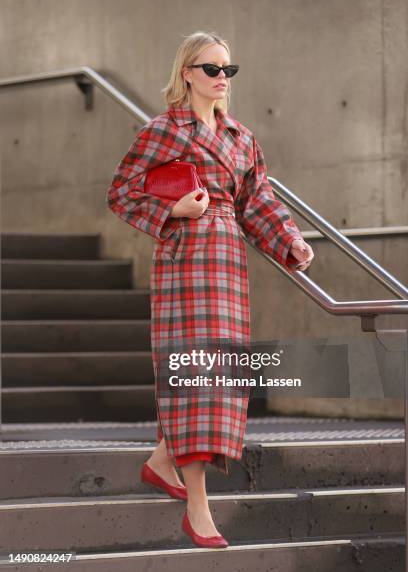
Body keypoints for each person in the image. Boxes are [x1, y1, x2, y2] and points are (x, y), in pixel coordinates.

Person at [106, 30, 314, 548]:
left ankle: (162, 459)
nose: (222, 78)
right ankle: (198, 510)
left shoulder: (242, 138)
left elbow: (258, 200)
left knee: (219, 375)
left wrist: (291, 241)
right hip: (183, 260)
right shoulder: (162, 130)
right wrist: (174, 209)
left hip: (227, 264)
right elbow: (121, 192)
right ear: (187, 74)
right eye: (211, 69)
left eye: (228, 70)